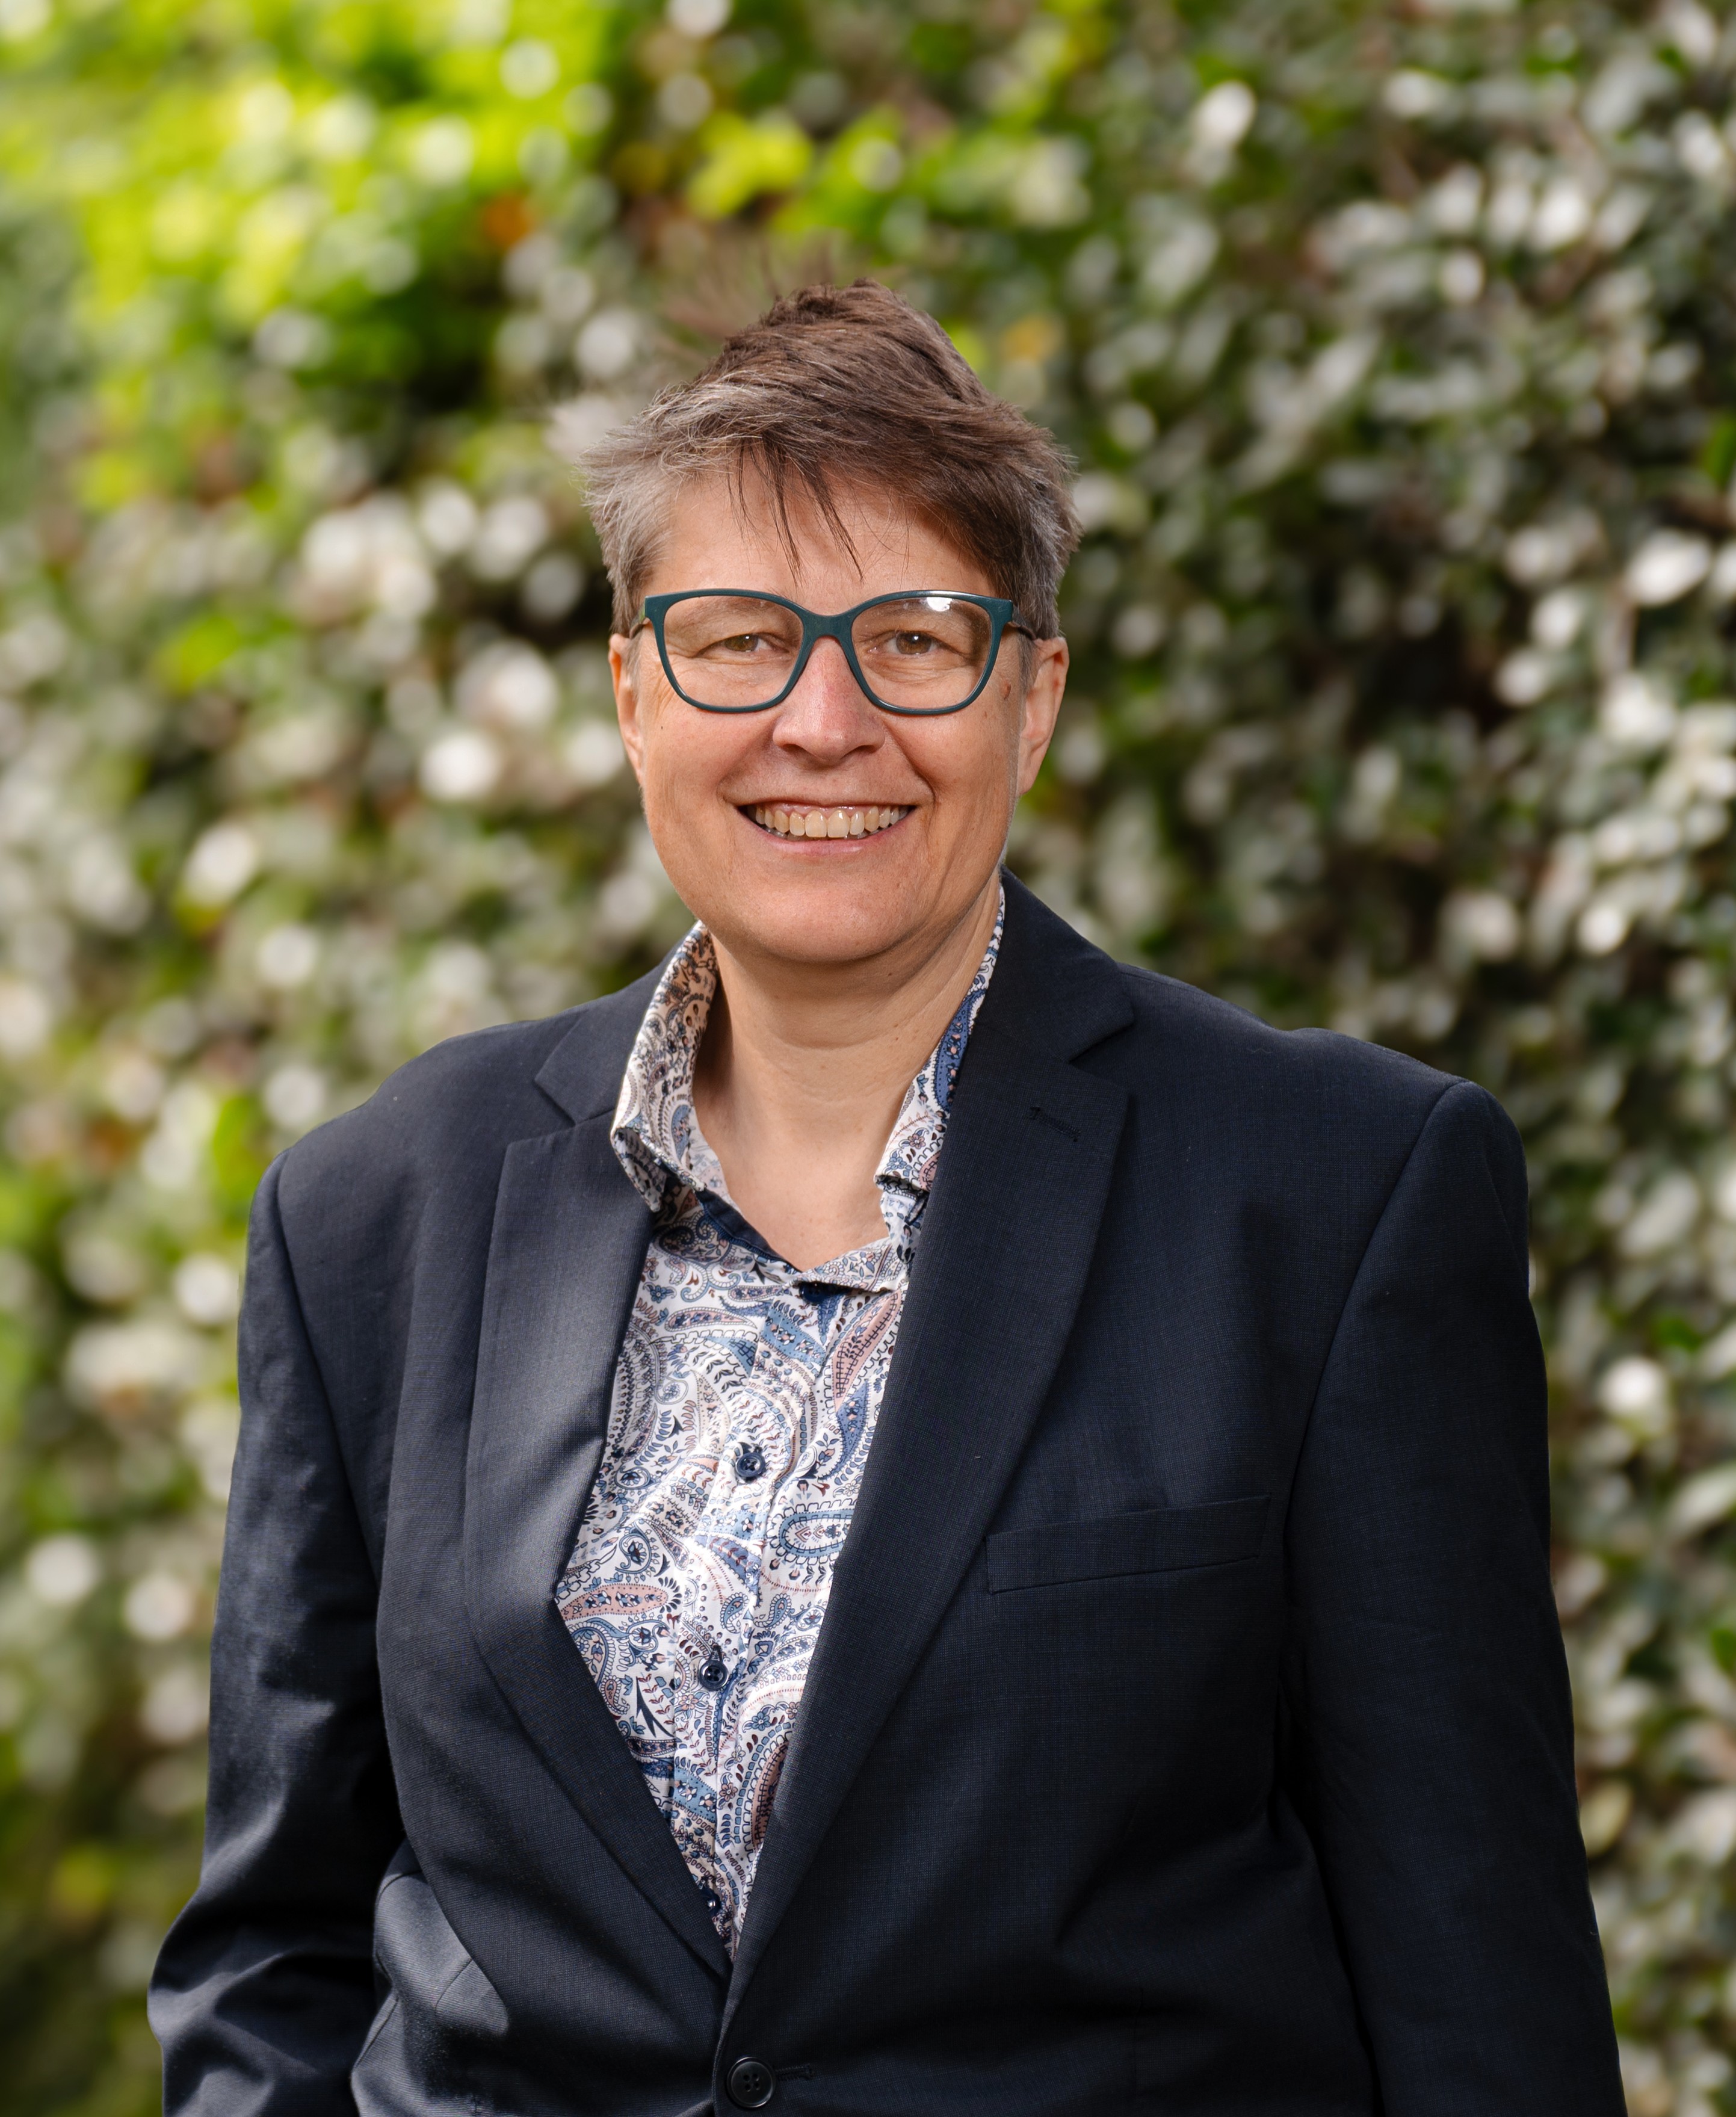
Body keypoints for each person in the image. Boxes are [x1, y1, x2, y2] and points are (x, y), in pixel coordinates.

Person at [150, 280, 1623, 2117]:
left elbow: (1477, 1984)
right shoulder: (375, 1213)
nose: (822, 720)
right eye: (739, 638)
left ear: (1035, 695)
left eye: (915, 640)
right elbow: (271, 1954)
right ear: (631, 692)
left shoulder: (1336, 1199)